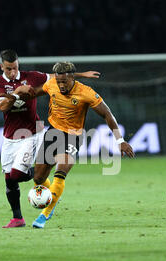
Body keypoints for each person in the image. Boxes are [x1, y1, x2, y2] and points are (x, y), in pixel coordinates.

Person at [18, 61, 134, 229]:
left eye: (65, 81)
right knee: (38, 178)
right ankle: (52, 197)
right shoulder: (51, 84)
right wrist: (16, 97)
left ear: (72, 78)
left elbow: (107, 114)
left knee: (60, 172)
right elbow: (33, 93)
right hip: (53, 132)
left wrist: (120, 140)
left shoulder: (85, 92)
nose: (61, 85)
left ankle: (45, 213)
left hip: (73, 136)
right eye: (59, 81)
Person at [0, 50, 100, 228]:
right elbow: (3, 106)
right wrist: (17, 93)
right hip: (10, 136)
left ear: (19, 64)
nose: (13, 72)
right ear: (2, 66)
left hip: (32, 133)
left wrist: (82, 75)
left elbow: (57, 77)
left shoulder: (32, 77)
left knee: (18, 175)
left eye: (15, 68)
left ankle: (49, 192)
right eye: (9, 69)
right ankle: (18, 218)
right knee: (9, 180)